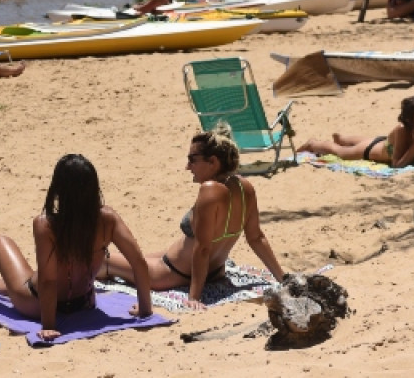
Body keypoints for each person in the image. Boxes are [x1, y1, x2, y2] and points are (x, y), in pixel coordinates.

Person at [0, 155, 153, 339]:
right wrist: (145, 309)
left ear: (58, 189)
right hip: (85, 302)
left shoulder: (46, 224)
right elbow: (139, 263)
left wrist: (49, 325)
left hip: (37, 305)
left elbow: (48, 280)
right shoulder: (109, 219)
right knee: (24, 277)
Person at [99, 125, 286, 304]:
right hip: (216, 271)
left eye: (193, 159)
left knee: (101, 261)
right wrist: (282, 278)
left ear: (213, 162)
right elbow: (256, 238)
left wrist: (194, 297)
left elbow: (203, 248)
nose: (188, 167)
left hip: (172, 274)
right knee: (139, 257)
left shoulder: (210, 190)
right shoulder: (244, 187)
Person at [297, 95, 414, 167]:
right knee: (340, 151)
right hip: (370, 150)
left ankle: (342, 139)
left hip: (383, 142)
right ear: (410, 119)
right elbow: (396, 164)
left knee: (368, 140)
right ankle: (313, 143)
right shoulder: (402, 131)